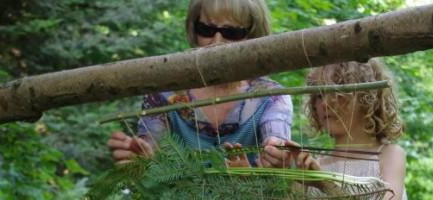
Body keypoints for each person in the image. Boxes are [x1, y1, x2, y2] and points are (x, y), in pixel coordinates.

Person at [107, 0, 294, 168]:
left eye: (232, 33)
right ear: (194, 30)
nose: (217, 42)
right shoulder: (163, 94)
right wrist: (141, 158)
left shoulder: (271, 97)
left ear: (253, 37)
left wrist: (276, 152)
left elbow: (276, 137)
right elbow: (152, 150)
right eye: (206, 30)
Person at [287, 59, 407, 200]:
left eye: (337, 93)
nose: (325, 103)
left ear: (367, 97)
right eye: (319, 95)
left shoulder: (389, 155)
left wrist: (326, 185)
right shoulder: (315, 165)